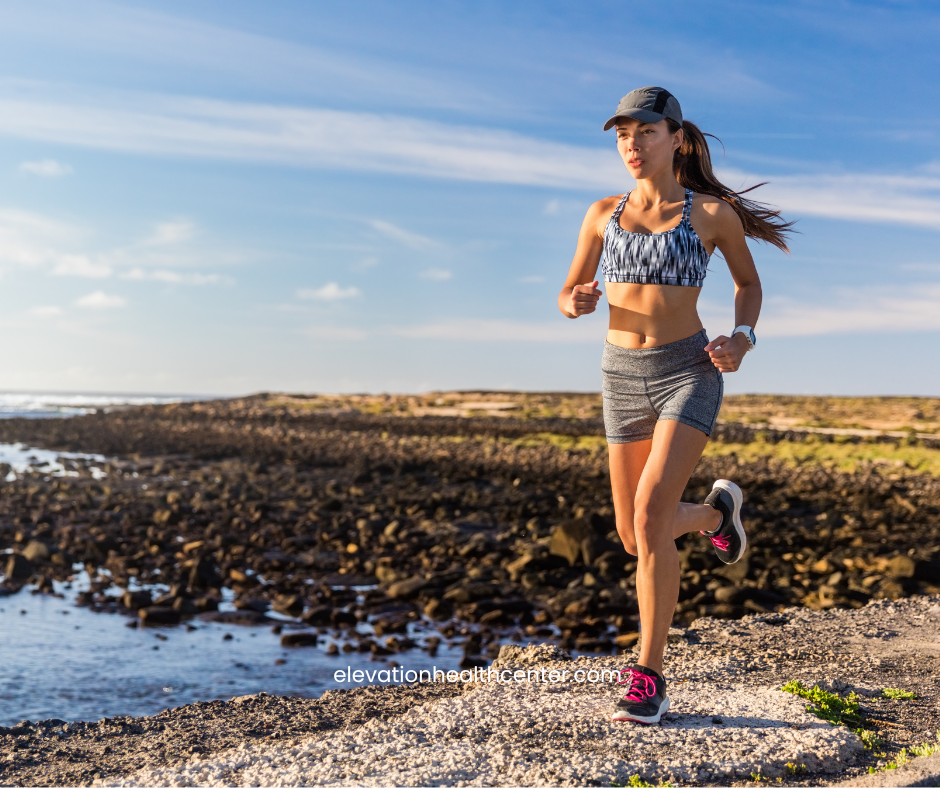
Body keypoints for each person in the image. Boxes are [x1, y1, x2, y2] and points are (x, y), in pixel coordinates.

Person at [558, 87, 792, 724]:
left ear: (677, 139)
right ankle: (718, 519)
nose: (631, 145)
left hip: (688, 369)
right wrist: (574, 301)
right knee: (635, 536)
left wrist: (742, 338)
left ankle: (648, 674)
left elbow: (749, 284)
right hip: (620, 375)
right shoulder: (602, 213)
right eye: (622, 135)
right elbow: (569, 288)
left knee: (654, 510)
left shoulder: (711, 214)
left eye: (646, 132)